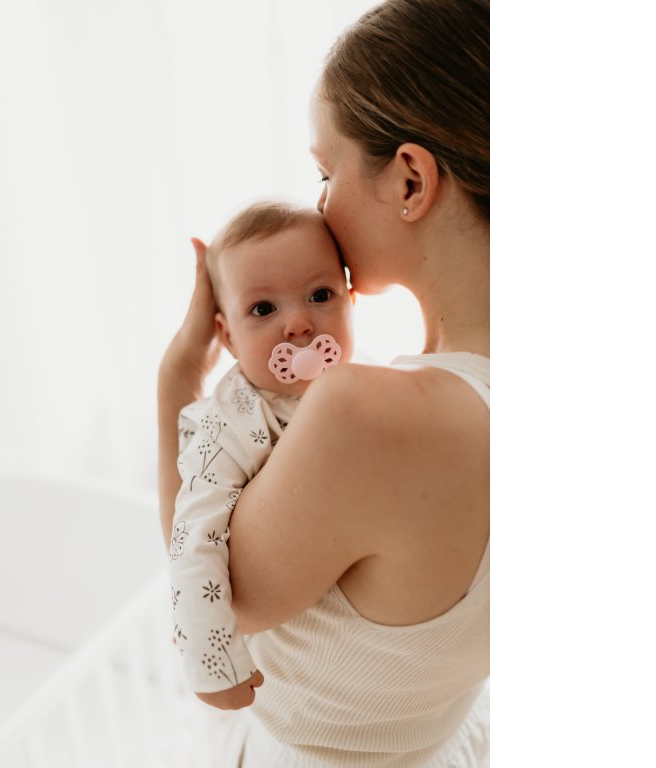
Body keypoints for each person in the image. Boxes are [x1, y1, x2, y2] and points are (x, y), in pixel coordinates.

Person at [158, 0, 490, 764]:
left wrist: (178, 378)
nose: (320, 205)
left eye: (325, 172)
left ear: (410, 179)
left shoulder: (362, 414)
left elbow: (211, 592)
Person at [169, 200, 355, 711]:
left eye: (320, 295)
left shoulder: (363, 383)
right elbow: (192, 539)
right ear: (228, 337)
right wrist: (213, 664)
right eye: (263, 309)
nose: (298, 323)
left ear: (351, 300)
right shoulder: (230, 426)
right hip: (282, 660)